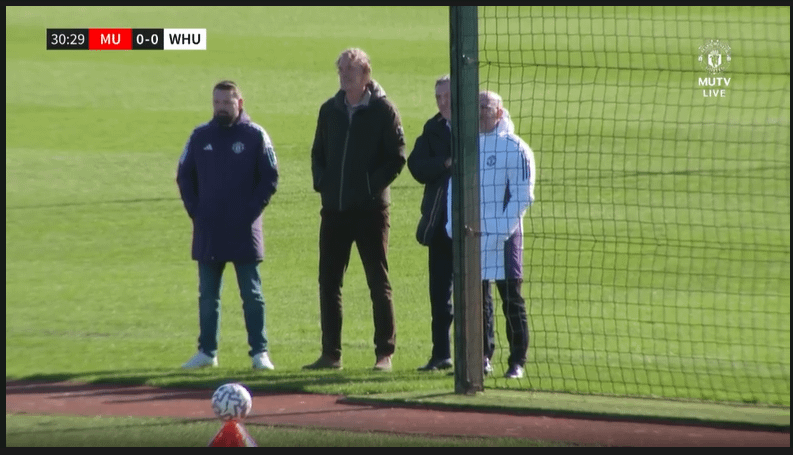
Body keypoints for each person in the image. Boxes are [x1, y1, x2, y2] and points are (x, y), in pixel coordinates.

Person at [304, 48, 406, 371]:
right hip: (334, 210)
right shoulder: (329, 110)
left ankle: (384, 354)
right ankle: (330, 354)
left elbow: (397, 156)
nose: (345, 75)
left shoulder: (383, 110)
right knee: (329, 281)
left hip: (370, 210)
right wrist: (323, 183)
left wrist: (366, 188)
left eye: (351, 70)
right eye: (341, 70)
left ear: (366, 74)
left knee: (377, 280)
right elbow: (317, 152)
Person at [176, 80, 279, 370]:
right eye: (217, 102)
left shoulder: (255, 135)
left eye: (227, 102)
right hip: (209, 229)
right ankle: (207, 352)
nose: (221, 107)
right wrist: (196, 211)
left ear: (240, 103)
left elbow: (270, 177)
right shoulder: (199, 136)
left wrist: (250, 212)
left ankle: (260, 352)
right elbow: (184, 175)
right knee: (208, 296)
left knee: (252, 294)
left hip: (245, 229)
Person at [446, 90, 535, 379]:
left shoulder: (516, 148)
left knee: (511, 298)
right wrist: (451, 224)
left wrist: (500, 229)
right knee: (477, 299)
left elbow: (522, 197)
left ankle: (517, 361)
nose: (482, 112)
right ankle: (482, 357)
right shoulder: (467, 147)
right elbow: (453, 190)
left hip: (505, 236)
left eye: (487, 107)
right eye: (478, 107)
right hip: (473, 235)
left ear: (499, 112)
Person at [407, 75, 455, 371]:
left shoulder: (474, 126)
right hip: (439, 223)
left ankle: (481, 356)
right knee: (439, 294)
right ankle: (441, 354)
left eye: (447, 96)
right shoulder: (433, 127)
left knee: (479, 295)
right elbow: (416, 166)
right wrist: (445, 164)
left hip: (472, 224)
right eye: (438, 96)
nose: (442, 101)